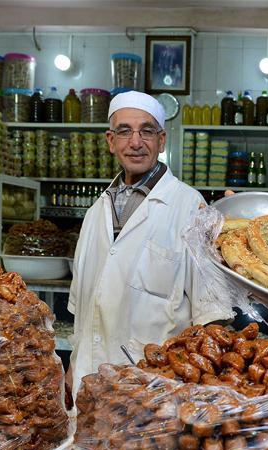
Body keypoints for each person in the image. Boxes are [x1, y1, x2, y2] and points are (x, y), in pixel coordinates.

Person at [65, 91, 232, 399]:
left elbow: (212, 316)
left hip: (155, 394)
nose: (136, 142)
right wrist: (72, 371)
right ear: (110, 141)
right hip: (89, 389)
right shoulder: (93, 215)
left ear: (162, 140)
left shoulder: (189, 207)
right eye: (125, 131)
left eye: (147, 131)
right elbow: (83, 313)